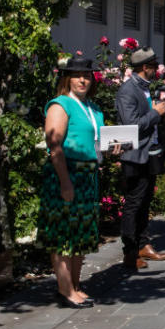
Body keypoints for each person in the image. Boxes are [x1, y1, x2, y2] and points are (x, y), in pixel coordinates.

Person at [39, 55, 120, 309]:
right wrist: (65, 183)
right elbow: (55, 146)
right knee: (63, 233)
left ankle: (75, 285)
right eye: (76, 75)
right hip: (67, 172)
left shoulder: (93, 108)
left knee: (80, 234)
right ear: (67, 78)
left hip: (89, 175)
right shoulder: (60, 105)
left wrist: (112, 148)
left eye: (86, 75)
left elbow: (94, 143)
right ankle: (65, 290)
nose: (82, 79)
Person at [115, 47, 165, 270]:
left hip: (149, 152)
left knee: (145, 200)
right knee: (133, 203)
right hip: (135, 155)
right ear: (145, 67)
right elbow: (131, 126)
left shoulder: (146, 89)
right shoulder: (128, 91)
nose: (157, 70)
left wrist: (161, 115)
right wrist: (155, 113)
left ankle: (143, 244)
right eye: (155, 66)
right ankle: (129, 252)